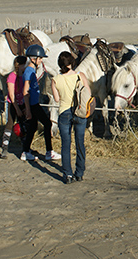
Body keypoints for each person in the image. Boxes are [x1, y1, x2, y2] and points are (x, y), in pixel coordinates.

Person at [51, 51, 91, 184]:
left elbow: (57, 99)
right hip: (79, 112)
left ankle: (67, 174)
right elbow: (88, 94)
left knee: (65, 145)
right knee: (80, 143)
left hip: (64, 112)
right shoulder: (80, 76)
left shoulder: (55, 79)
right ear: (72, 62)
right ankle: (79, 173)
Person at [21, 44, 61, 161]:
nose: (41, 61)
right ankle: (49, 152)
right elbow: (25, 91)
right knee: (47, 124)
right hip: (33, 105)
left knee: (33, 127)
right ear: (34, 59)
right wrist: (28, 110)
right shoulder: (29, 71)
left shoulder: (31, 70)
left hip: (33, 104)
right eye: (40, 58)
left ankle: (25, 152)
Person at [0, 55, 27, 159]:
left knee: (24, 125)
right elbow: (11, 94)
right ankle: (4, 147)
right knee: (10, 124)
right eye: (24, 65)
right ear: (19, 65)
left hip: (22, 102)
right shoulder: (11, 76)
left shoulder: (24, 76)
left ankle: (25, 148)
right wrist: (17, 108)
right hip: (13, 103)